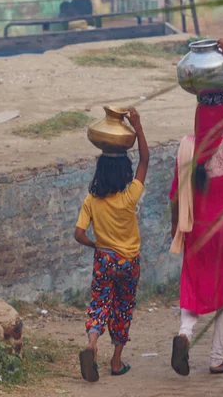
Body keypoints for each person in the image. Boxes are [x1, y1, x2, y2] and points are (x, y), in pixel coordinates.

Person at [169, 38, 223, 376]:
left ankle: (184, 335)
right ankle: (217, 358)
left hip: (197, 233)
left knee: (192, 289)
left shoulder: (187, 151)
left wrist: (177, 231)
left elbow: (175, 199)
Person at [74, 108, 149, 382]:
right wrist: (138, 126)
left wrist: (96, 245)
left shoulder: (91, 201)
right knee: (122, 307)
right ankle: (116, 363)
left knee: (99, 303)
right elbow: (144, 159)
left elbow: (78, 234)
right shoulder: (129, 196)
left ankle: (91, 343)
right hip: (129, 261)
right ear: (124, 172)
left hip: (104, 259)